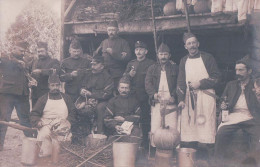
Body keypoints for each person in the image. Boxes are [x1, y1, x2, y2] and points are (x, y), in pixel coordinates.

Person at [177, 32, 221, 160]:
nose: (192, 45)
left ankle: (210, 160)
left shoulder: (208, 58)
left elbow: (217, 77)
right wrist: (180, 99)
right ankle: (192, 160)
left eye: (194, 42)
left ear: (198, 44)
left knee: (207, 127)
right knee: (190, 130)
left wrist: (200, 83)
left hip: (206, 97)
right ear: (185, 46)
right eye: (189, 43)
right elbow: (180, 82)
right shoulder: (183, 60)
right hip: (189, 99)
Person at [214, 60, 260, 167]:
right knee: (221, 134)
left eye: (241, 70)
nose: (237, 73)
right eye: (236, 70)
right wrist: (223, 105)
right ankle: (217, 164)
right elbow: (222, 99)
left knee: (257, 136)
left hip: (251, 117)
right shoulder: (231, 84)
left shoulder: (255, 84)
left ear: (249, 71)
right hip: (233, 116)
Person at [30, 72, 76, 157]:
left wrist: (68, 122)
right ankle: (45, 155)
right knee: (44, 137)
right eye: (52, 85)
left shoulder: (66, 98)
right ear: (48, 86)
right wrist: (38, 122)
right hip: (46, 124)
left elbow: (73, 112)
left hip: (62, 124)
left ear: (60, 86)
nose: (55, 88)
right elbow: (34, 113)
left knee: (62, 147)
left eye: (57, 85)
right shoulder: (43, 99)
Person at [0, 41, 33, 150]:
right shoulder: (4, 59)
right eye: (20, 50)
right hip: (7, 95)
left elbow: (26, 76)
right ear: (13, 49)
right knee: (3, 120)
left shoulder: (25, 61)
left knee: (26, 119)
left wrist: (30, 82)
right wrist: (15, 61)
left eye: (24, 51)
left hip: (23, 95)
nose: (23, 53)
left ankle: (32, 144)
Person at [145, 43, 179, 148]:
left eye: (165, 54)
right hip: (157, 102)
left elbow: (180, 83)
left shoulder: (175, 67)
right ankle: (155, 149)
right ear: (157, 55)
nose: (163, 56)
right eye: (161, 54)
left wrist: (174, 96)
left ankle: (172, 148)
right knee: (155, 126)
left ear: (169, 55)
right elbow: (147, 83)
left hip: (171, 103)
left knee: (172, 126)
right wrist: (154, 95)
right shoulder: (152, 68)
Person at [124, 41, 154, 149]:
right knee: (131, 118)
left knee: (145, 119)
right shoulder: (131, 64)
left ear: (146, 51)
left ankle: (145, 143)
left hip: (145, 97)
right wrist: (129, 75)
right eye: (137, 49)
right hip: (133, 97)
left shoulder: (151, 63)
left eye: (141, 49)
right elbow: (124, 80)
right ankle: (132, 141)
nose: (138, 51)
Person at [79, 55, 114, 135]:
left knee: (100, 108)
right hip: (88, 99)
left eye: (95, 65)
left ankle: (99, 134)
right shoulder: (88, 74)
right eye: (92, 64)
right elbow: (82, 86)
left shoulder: (107, 77)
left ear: (102, 66)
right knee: (80, 107)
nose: (92, 67)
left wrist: (92, 94)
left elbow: (107, 94)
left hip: (104, 100)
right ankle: (83, 134)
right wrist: (82, 90)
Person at [96, 20, 131, 88]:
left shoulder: (123, 42)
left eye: (113, 30)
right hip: (105, 73)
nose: (111, 32)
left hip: (118, 74)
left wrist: (113, 53)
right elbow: (97, 55)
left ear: (117, 31)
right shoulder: (104, 42)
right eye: (109, 30)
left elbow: (127, 57)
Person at [30, 41, 60, 107]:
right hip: (35, 94)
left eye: (42, 51)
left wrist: (41, 71)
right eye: (38, 52)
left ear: (47, 51)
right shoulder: (34, 62)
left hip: (47, 93)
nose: (40, 53)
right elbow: (29, 73)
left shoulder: (53, 61)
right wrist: (30, 81)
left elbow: (55, 71)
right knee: (35, 114)